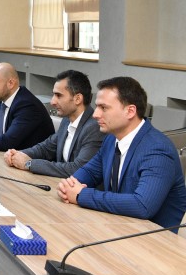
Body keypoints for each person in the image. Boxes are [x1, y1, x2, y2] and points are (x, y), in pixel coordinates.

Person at [57, 77, 186, 229]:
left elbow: (142, 205)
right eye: (96, 107)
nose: (95, 114)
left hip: (155, 237)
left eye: (103, 108)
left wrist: (81, 195)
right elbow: (90, 172)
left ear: (130, 111)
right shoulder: (112, 139)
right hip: (120, 225)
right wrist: (69, 186)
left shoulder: (157, 149)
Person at [5, 70, 103, 177]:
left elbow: (77, 169)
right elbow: (46, 148)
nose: (52, 102)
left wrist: (29, 164)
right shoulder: (66, 120)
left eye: (58, 95)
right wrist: (18, 155)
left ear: (78, 99)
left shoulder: (94, 127)